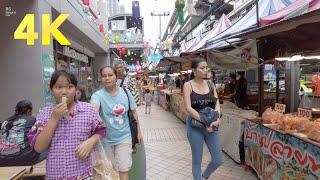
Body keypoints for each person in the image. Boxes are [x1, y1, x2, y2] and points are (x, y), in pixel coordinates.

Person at [28, 70, 106, 179]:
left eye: (69, 87)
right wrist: (54, 118)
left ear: (76, 89)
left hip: (83, 174)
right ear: (51, 89)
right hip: (55, 175)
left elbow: (101, 129)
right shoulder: (45, 113)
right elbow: (39, 148)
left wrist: (91, 141)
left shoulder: (88, 109)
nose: (64, 92)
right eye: (58, 87)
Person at [90, 66, 143, 180]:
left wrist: (139, 132)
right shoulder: (97, 95)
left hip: (124, 137)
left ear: (116, 77)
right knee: (110, 172)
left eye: (110, 75)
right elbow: (93, 110)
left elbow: (134, 113)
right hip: (105, 140)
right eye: (104, 76)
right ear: (101, 78)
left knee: (123, 170)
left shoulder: (126, 92)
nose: (107, 78)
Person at [183, 57, 222, 180]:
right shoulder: (188, 85)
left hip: (211, 125)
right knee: (197, 160)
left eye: (206, 68)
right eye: (202, 68)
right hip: (195, 126)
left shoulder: (211, 84)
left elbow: (217, 104)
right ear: (194, 71)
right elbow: (188, 108)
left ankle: (205, 175)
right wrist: (205, 121)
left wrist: (217, 121)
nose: (205, 70)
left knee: (218, 160)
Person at [0, 100, 47, 166]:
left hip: (2, 160)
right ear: (28, 111)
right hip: (21, 159)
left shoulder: (5, 121)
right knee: (47, 150)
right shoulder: (32, 119)